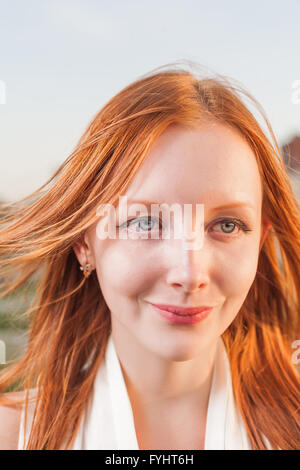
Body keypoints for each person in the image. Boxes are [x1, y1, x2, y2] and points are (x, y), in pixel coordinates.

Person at [0, 61, 299, 450]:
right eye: (144, 223)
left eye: (227, 225)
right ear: (83, 244)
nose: (190, 273)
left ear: (260, 242)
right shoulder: (13, 435)